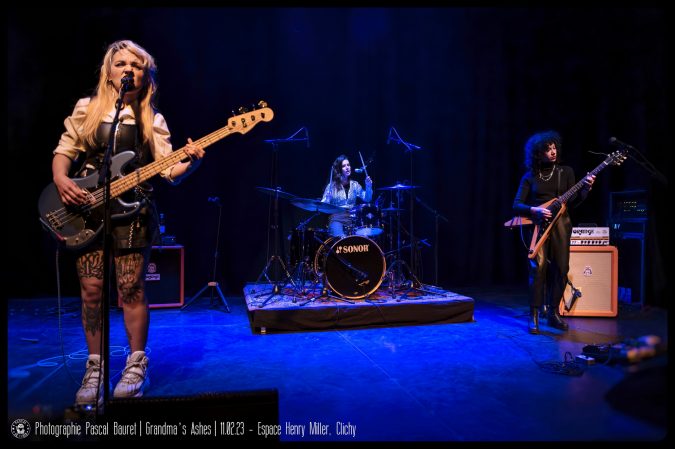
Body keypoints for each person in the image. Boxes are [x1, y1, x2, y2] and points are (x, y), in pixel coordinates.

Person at [51, 40, 205, 406]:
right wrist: (61, 179)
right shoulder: (86, 108)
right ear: (109, 72)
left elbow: (169, 171)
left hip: (133, 213)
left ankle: (136, 365)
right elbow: (64, 151)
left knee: (131, 288)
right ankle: (95, 368)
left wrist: (193, 161)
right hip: (88, 210)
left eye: (136, 66)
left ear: (146, 75)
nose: (128, 70)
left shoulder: (152, 119)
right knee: (91, 290)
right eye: (121, 64)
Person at [512, 131, 595, 334]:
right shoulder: (529, 177)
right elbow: (517, 204)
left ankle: (553, 313)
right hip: (538, 225)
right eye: (548, 149)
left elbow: (573, 202)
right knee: (537, 269)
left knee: (561, 268)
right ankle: (534, 314)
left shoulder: (565, 172)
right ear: (537, 153)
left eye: (554, 147)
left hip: (561, 224)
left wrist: (586, 189)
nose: (553, 151)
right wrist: (535, 210)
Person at [321, 154, 374, 237]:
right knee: (341, 238)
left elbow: (367, 199)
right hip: (336, 218)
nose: (347, 167)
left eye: (348, 165)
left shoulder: (355, 185)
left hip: (352, 219)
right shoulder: (331, 186)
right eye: (344, 166)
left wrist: (368, 186)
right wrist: (327, 199)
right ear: (339, 169)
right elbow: (322, 206)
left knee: (364, 237)